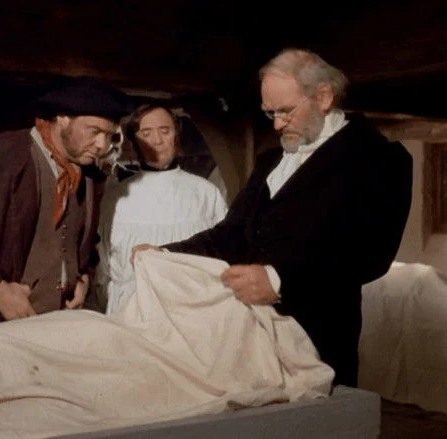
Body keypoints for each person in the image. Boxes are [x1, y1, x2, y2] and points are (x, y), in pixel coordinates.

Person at [131, 48, 412, 387]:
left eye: (286, 111)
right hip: (251, 340)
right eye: (270, 112)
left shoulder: (378, 159)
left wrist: (279, 281)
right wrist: (167, 252)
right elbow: (231, 234)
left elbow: (368, 256)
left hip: (319, 343)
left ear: (323, 97)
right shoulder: (271, 160)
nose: (277, 124)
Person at [0, 76, 130, 328]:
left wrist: (83, 277)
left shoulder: (91, 176)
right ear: (62, 118)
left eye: (109, 135)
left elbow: (85, 243)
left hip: (51, 325)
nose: (102, 145)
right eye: (95, 132)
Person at [95, 103, 227, 313]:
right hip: (130, 311)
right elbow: (103, 270)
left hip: (191, 309)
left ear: (177, 135)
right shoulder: (116, 197)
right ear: (134, 141)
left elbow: (221, 256)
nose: (157, 141)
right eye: (146, 133)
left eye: (165, 131)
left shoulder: (206, 193)